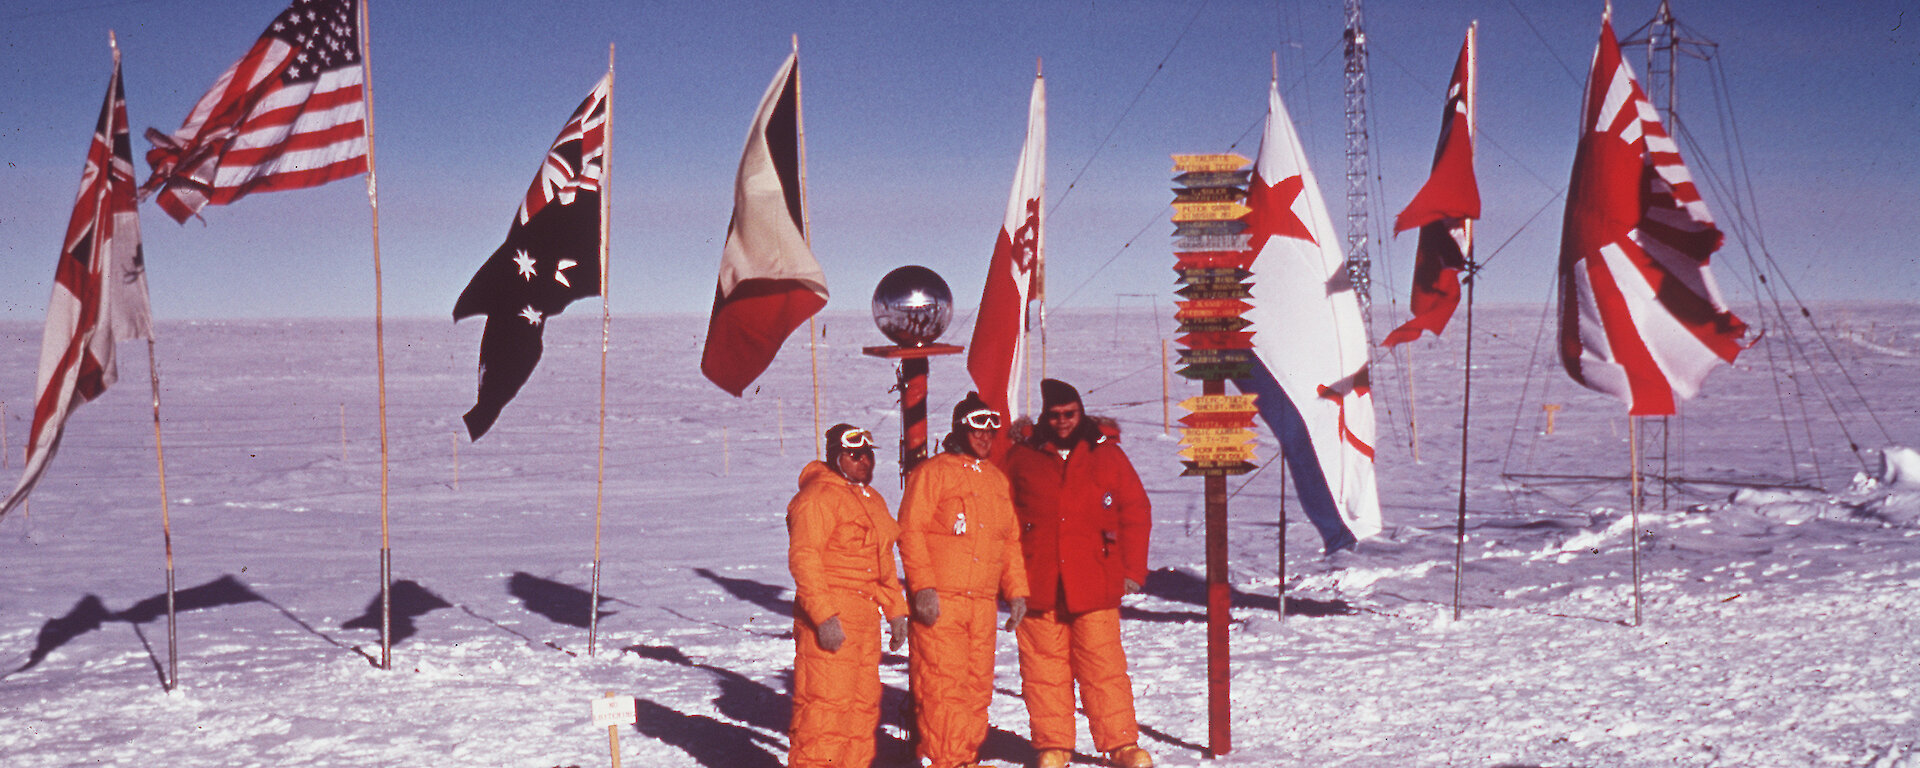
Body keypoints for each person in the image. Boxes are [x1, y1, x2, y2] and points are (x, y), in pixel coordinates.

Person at [1002, 379, 1154, 768]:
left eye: (1069, 414)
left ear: (1080, 412)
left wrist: (1132, 569)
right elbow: (1002, 518)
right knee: (1044, 669)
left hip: (1095, 580)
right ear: (1044, 417)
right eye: (1054, 416)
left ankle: (1120, 745)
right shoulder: (1023, 456)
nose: (1063, 421)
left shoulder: (1106, 455)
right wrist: (1007, 578)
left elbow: (1135, 511)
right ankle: (1053, 746)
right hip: (1039, 581)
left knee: (1103, 667)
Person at [897, 392, 1029, 768]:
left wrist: (1016, 591)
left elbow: (1009, 540)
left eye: (991, 428)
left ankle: (963, 757)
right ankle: (947, 760)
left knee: (976, 689)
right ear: (960, 428)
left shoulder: (995, 481)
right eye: (977, 427)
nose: (985, 436)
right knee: (943, 688)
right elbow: (910, 531)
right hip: (942, 602)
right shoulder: (933, 474)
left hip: (982, 603)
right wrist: (922, 587)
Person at [786, 424, 910, 768]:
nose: (863, 461)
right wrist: (824, 616)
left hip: (865, 618)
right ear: (836, 457)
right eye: (854, 455)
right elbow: (804, 560)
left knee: (861, 710)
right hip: (832, 617)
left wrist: (896, 610)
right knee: (825, 710)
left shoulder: (872, 500)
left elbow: (883, 561)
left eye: (868, 454)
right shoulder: (817, 498)